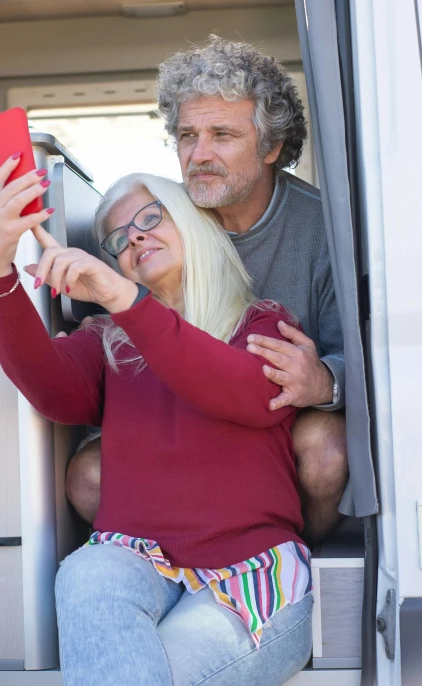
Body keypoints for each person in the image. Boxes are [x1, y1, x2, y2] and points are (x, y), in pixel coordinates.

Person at [0, 158, 313, 686]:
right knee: (88, 572)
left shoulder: (263, 321)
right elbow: (50, 390)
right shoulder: (110, 340)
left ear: (190, 222)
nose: (134, 237)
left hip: (250, 584)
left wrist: (123, 298)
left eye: (150, 218)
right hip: (133, 560)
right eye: (117, 237)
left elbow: (237, 392)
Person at [67, 36, 348, 547]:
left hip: (274, 421)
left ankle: (286, 561)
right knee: (89, 474)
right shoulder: (159, 212)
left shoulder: (326, 230)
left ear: (272, 147)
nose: (199, 155)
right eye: (187, 135)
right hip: (173, 414)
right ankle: (161, 565)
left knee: (327, 448)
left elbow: (369, 356)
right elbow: (124, 305)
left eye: (222, 134)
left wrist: (325, 381)